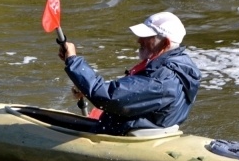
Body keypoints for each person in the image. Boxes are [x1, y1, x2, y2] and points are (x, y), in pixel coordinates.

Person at [57, 11, 201, 135]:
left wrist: (73, 61)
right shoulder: (178, 64)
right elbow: (130, 93)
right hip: (142, 126)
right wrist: (85, 89)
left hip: (124, 135)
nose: (139, 40)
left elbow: (108, 97)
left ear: (166, 43)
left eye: (147, 37)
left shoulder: (162, 79)